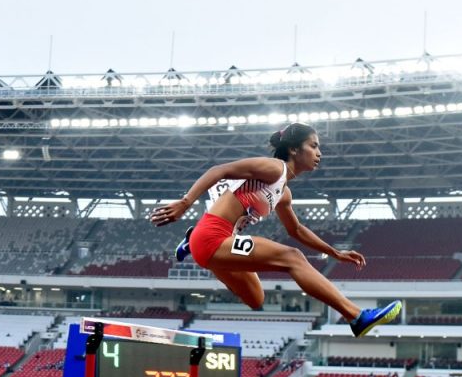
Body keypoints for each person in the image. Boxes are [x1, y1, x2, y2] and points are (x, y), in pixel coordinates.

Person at [151, 123, 401, 337]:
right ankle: (356, 317)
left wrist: (335, 253)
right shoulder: (274, 169)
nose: (319, 153)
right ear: (293, 149)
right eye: (313, 146)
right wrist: (185, 203)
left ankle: (192, 242)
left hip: (218, 244)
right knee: (293, 257)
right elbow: (219, 170)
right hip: (212, 236)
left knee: (255, 298)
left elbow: (297, 230)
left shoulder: (284, 193)